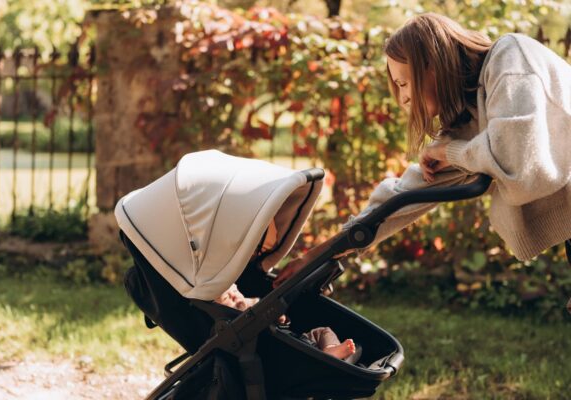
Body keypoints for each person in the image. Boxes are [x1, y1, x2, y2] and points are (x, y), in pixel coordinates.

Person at [273, 13, 571, 297]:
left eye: (403, 83)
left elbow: (518, 163)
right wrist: (317, 256)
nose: (403, 98)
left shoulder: (510, 56)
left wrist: (449, 151)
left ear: (432, 65)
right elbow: (403, 197)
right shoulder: (471, 116)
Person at [215, 284, 357, 360]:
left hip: (297, 339)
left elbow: (277, 315)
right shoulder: (231, 324)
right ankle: (328, 354)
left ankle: (330, 349)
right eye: (227, 297)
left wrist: (281, 318)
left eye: (235, 290)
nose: (234, 296)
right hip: (284, 352)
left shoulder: (254, 304)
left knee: (323, 331)